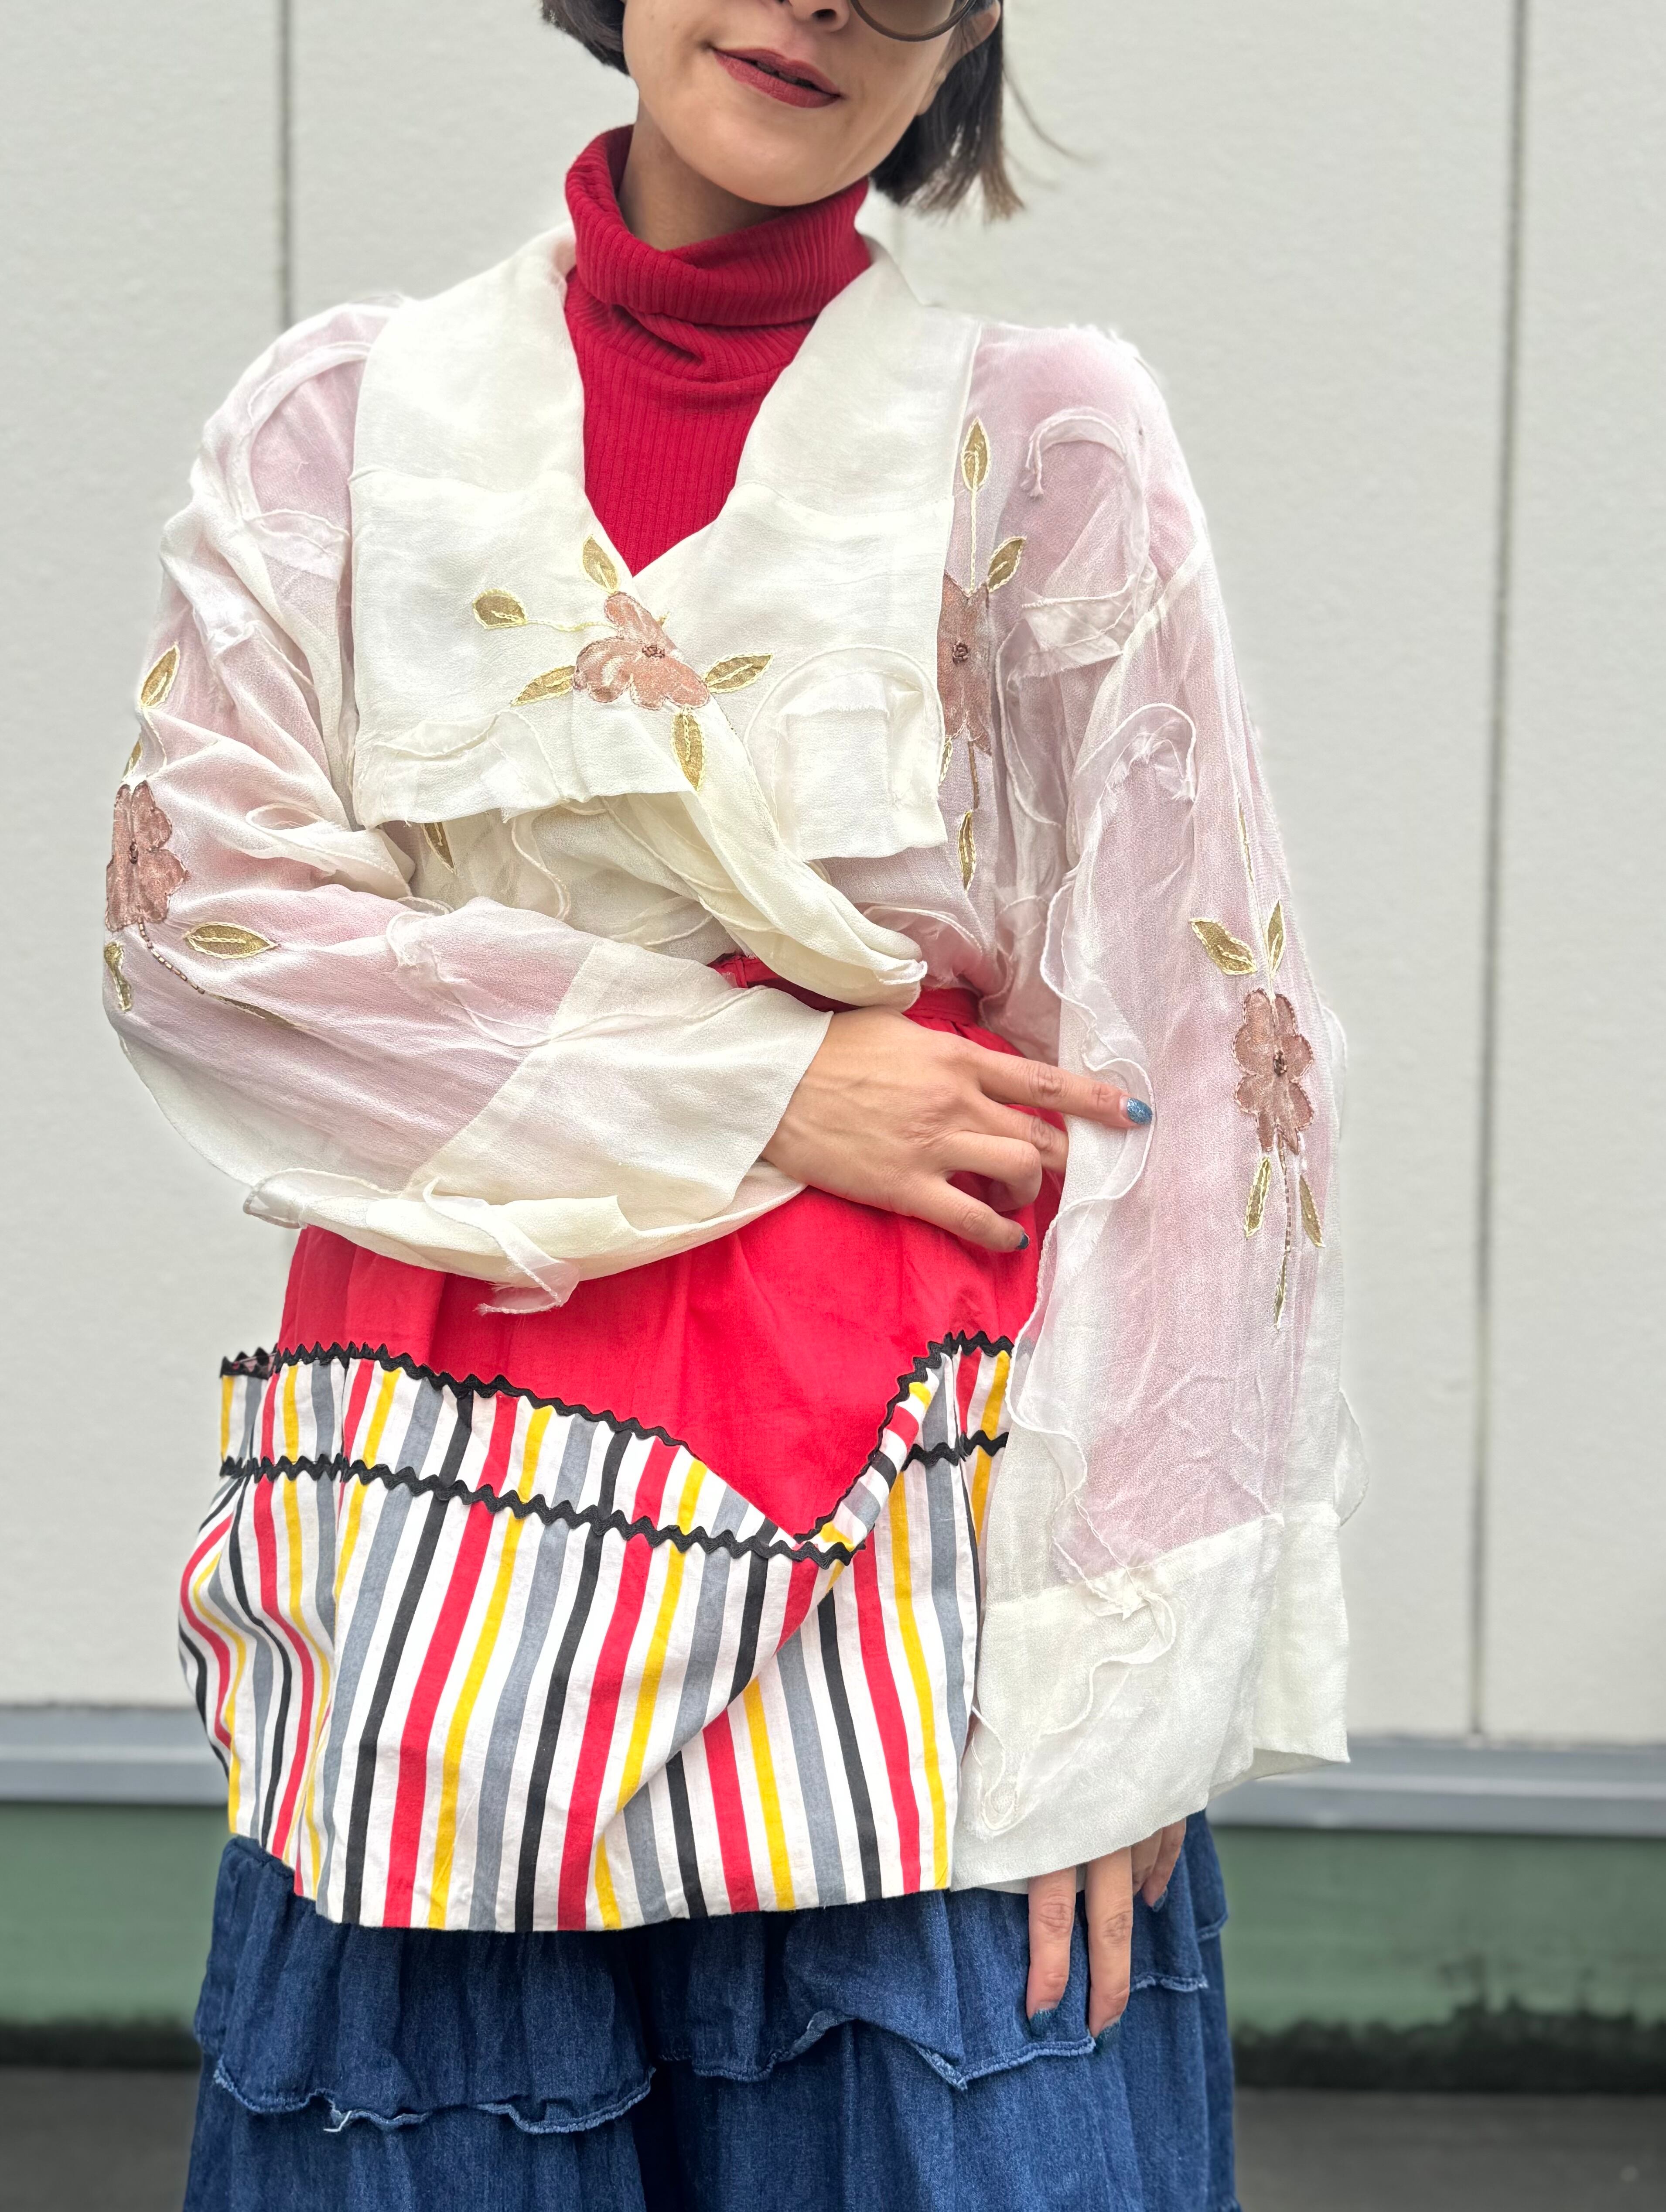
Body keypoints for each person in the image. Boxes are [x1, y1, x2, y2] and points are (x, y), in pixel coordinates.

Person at [105, 3, 1356, 2204]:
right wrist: (775, 1081)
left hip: (917, 1528)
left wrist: (1136, 1680)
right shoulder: (341, 425)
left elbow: (1205, 1047)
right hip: (450, 1506)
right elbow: (202, 934)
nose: (812, 9)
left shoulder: (1042, 437)